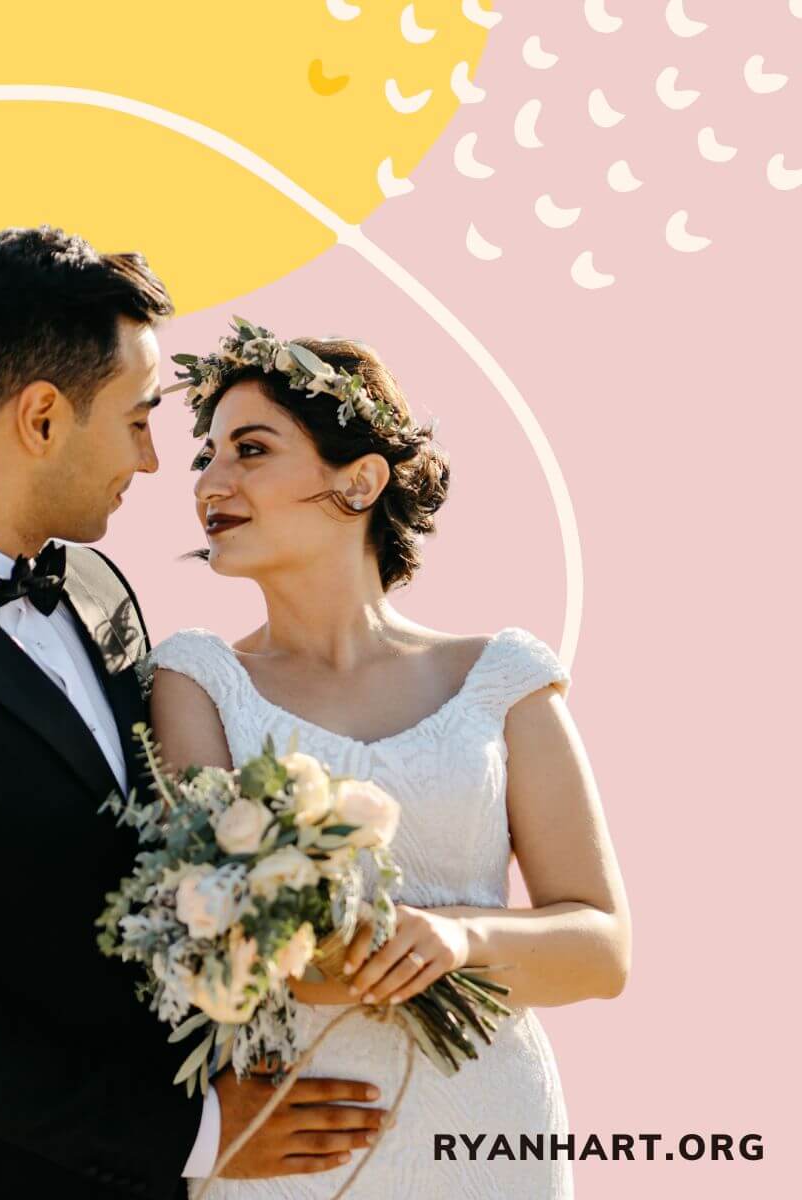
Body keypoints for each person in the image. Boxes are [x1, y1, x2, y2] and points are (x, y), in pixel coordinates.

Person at [0, 228, 387, 1200]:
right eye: (138, 420)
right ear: (44, 418)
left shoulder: (96, 584)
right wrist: (198, 1134)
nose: (151, 461)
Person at [145, 326, 632, 1198]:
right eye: (205, 457)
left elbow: (601, 947)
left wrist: (460, 937)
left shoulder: (502, 680)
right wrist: (325, 951)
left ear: (360, 480)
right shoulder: (196, 682)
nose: (211, 484)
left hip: (487, 1131)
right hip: (296, 1136)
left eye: (251, 450)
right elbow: (204, 924)